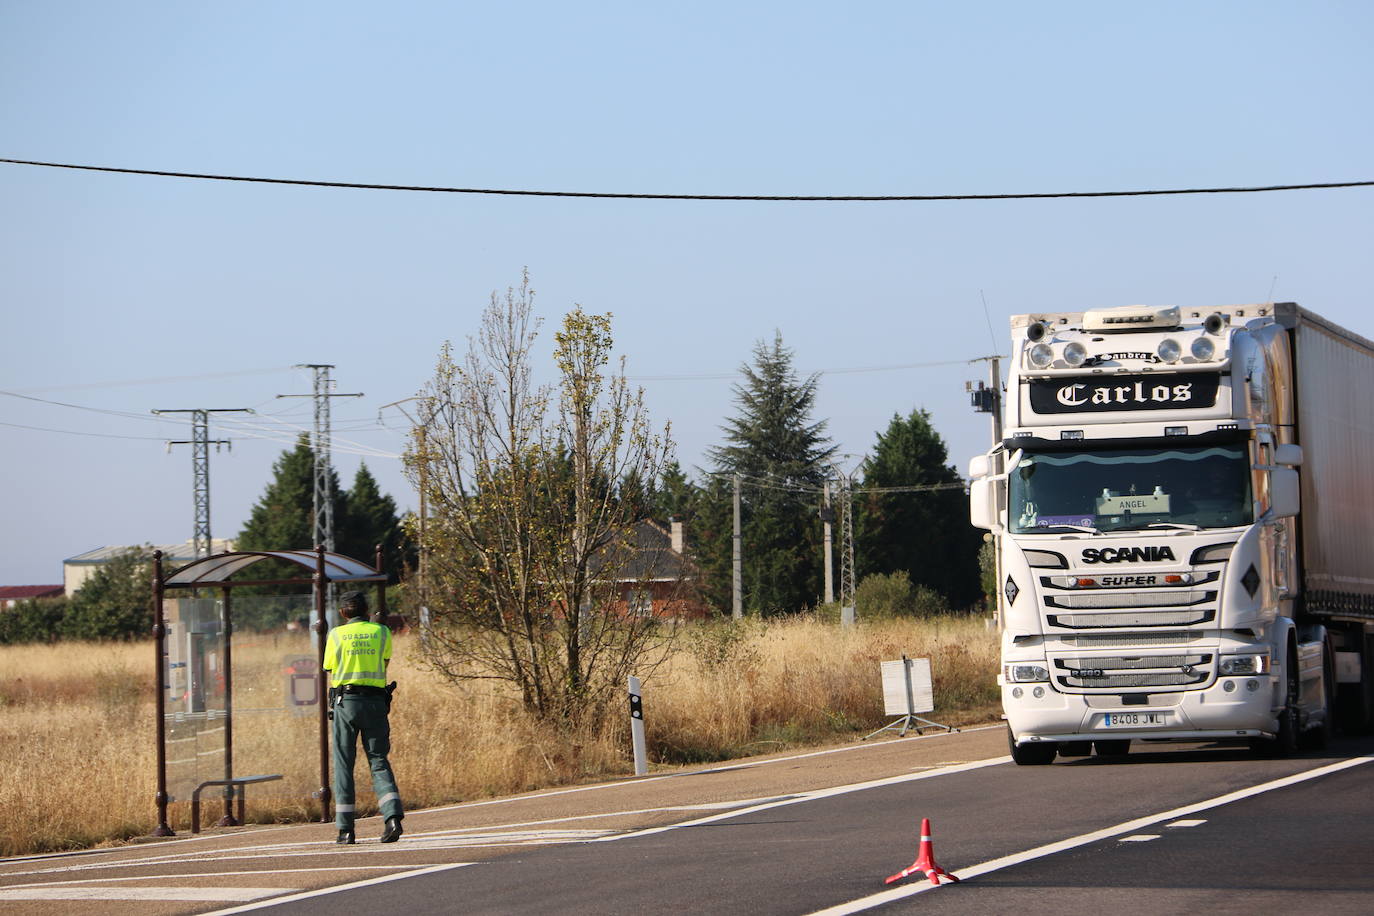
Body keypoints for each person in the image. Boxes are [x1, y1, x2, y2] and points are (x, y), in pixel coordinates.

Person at [323, 590, 404, 845]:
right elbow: (384, 661)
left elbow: (329, 667)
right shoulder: (382, 632)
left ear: (342, 612)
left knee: (344, 764)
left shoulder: (336, 634)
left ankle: (345, 830)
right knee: (379, 760)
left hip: (346, 703)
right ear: (367, 610)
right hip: (375, 703)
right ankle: (392, 818)